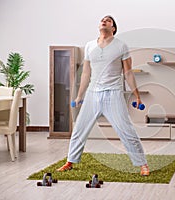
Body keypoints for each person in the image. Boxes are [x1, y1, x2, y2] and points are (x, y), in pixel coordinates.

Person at [56, 15, 149, 176]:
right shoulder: (90, 46)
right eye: (102, 20)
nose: (104, 21)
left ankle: (142, 164)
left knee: (126, 130)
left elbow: (128, 73)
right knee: (79, 129)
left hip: (113, 93)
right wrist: (79, 96)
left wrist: (137, 95)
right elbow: (85, 73)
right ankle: (70, 161)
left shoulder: (121, 46)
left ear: (113, 28)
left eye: (108, 20)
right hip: (93, 93)